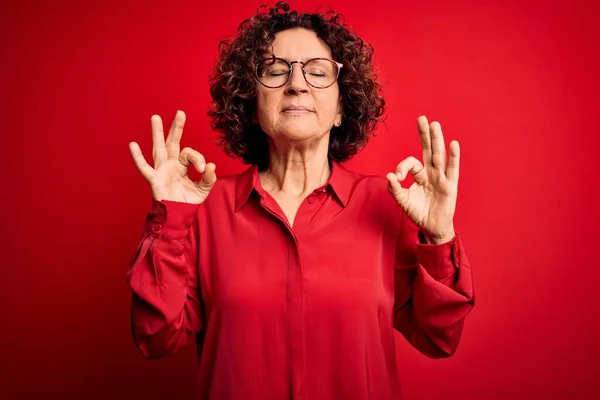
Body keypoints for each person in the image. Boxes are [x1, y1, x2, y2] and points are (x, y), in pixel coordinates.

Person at [126, 2, 475, 399]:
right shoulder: (206, 209)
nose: (296, 83)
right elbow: (155, 339)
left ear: (342, 108)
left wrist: (439, 236)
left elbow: (439, 338)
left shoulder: (387, 204)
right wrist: (170, 221)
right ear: (252, 106)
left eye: (318, 72)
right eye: (276, 71)